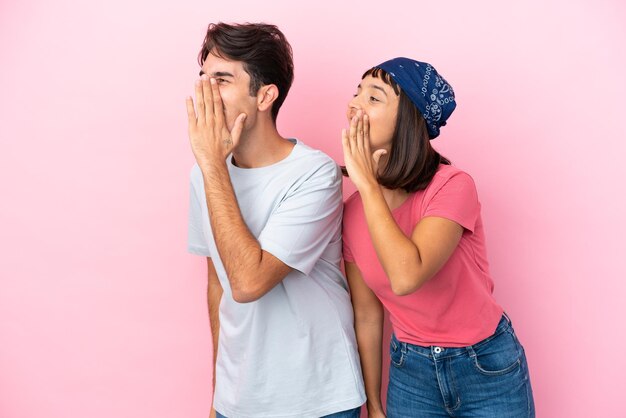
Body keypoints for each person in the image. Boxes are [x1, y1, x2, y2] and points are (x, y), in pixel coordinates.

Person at [185, 23, 365, 418]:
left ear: (265, 96)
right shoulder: (204, 174)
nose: (204, 92)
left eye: (221, 79)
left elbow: (249, 282)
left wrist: (213, 165)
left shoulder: (315, 174)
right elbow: (219, 282)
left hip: (318, 399)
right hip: (239, 402)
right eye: (203, 78)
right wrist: (220, 392)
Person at [341, 57, 535, 417]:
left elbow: (406, 276)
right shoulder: (352, 213)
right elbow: (367, 316)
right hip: (410, 373)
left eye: (374, 97)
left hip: (485, 366)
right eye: (357, 93)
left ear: (409, 119)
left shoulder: (452, 186)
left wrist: (367, 184)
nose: (354, 104)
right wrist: (374, 402)